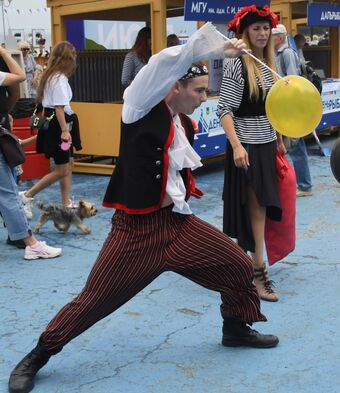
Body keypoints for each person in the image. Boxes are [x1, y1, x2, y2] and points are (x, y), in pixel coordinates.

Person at [7, 23, 278, 393]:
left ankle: (235, 327)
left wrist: (217, 55)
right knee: (94, 300)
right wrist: (209, 47)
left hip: (177, 225)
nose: (203, 98)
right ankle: (38, 355)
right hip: (136, 232)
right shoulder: (137, 105)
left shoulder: (179, 121)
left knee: (238, 265)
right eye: (198, 91)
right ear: (174, 86)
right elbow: (162, 64)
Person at [217, 5, 286, 302]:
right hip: (245, 145)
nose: (262, 33)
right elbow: (224, 109)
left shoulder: (269, 64)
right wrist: (236, 145)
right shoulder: (237, 64)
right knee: (255, 207)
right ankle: (258, 270)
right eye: (256, 28)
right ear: (245, 32)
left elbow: (275, 108)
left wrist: (280, 137)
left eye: (265, 28)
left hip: (267, 143)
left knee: (260, 207)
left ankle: (246, 266)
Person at [0, 46, 62, 259]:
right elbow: (55, 109)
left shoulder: (45, 76)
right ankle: (30, 241)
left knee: (65, 168)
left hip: (44, 123)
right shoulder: (52, 78)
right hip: (51, 125)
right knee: (62, 169)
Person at [19, 42, 82, 219]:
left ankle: (66, 202)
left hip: (56, 125)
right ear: (68, 60)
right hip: (59, 128)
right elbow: (59, 108)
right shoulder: (59, 79)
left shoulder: (50, 75)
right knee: (62, 168)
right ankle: (27, 196)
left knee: (68, 164)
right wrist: (64, 131)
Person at [272, 24, 313, 198]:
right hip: (285, 104)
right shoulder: (280, 53)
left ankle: (304, 185)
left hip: (289, 105)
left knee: (296, 145)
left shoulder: (287, 53)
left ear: (280, 38)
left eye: (272, 36)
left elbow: (291, 80)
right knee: (292, 145)